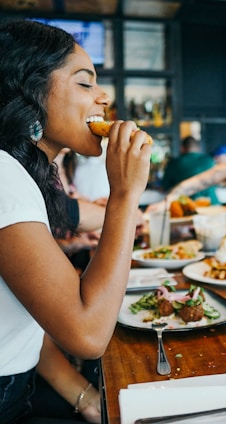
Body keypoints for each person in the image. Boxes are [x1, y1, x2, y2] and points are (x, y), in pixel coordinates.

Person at [0, 20, 151, 424]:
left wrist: (85, 397)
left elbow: (24, 325)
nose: (104, 98)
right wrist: (125, 194)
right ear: (29, 91)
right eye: (85, 84)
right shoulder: (3, 177)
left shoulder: (26, 175)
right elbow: (88, 335)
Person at [161, 135, 219, 204]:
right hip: (213, 206)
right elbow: (217, 184)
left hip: (187, 207)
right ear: (198, 148)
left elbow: (164, 187)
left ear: (182, 148)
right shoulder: (210, 161)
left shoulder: (174, 163)